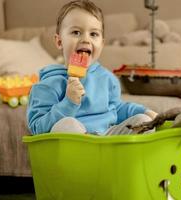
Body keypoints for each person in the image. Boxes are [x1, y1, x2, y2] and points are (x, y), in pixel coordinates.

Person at [27, 0, 158, 135]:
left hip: (107, 137)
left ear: (101, 44)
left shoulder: (106, 78)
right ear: (59, 41)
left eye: (93, 34)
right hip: (77, 142)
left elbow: (117, 109)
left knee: (143, 122)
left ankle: (123, 153)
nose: (86, 39)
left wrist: (144, 111)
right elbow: (37, 127)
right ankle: (87, 150)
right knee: (68, 125)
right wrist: (68, 102)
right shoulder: (47, 84)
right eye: (76, 32)